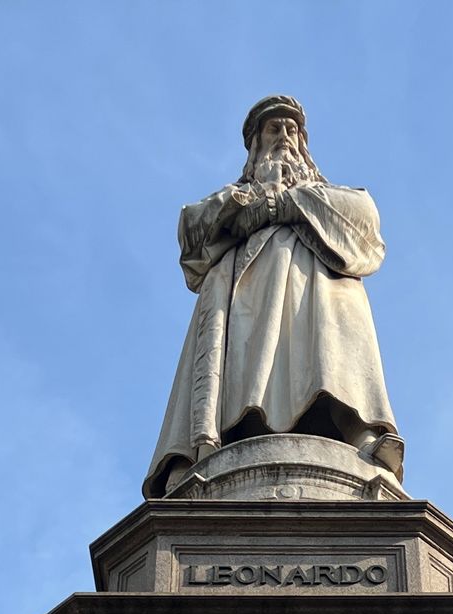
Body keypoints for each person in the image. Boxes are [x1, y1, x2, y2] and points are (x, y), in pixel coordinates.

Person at [144, 95, 403, 498]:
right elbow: (191, 230)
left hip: (315, 290)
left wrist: (285, 203)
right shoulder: (235, 195)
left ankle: (361, 433)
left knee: (339, 311)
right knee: (237, 344)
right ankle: (196, 453)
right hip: (244, 295)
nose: (284, 136)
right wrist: (244, 206)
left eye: (291, 129)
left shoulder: (324, 194)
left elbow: (365, 217)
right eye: (273, 128)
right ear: (255, 144)